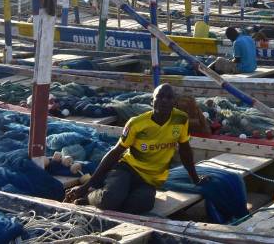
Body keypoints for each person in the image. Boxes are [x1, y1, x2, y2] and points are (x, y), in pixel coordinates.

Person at [64, 84, 205, 214]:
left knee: (142, 204)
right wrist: (86, 186)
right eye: (160, 97)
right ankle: (90, 195)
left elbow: (185, 150)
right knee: (109, 200)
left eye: (169, 97)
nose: (164, 101)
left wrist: (195, 179)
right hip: (127, 169)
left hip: (150, 179)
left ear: (174, 102)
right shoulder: (137, 123)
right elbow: (116, 152)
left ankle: (118, 194)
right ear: (152, 101)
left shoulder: (181, 119)